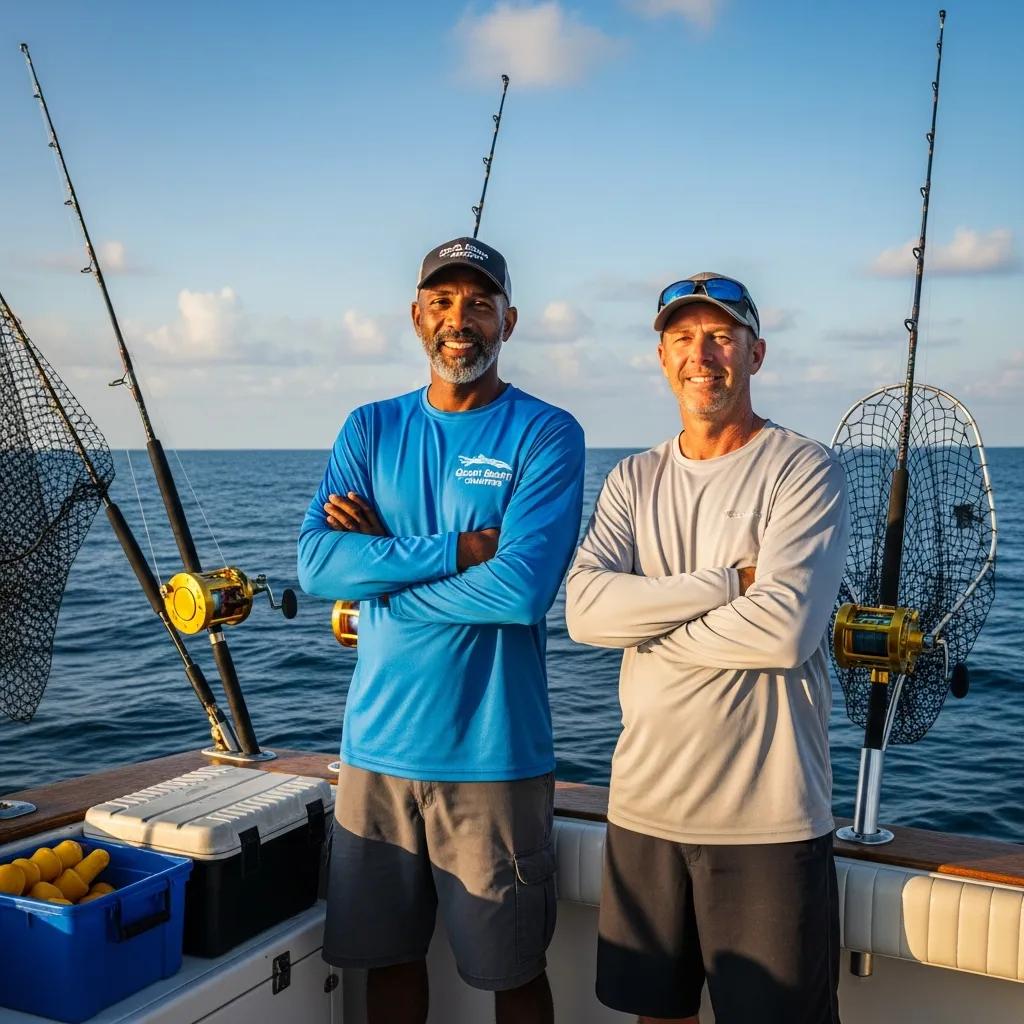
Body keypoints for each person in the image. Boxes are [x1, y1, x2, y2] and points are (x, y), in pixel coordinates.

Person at [297, 236, 585, 1024]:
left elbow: (522, 590)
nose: (461, 319)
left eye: (481, 304)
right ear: (416, 315)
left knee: (512, 974)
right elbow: (318, 564)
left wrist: (381, 584)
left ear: (510, 321)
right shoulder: (370, 427)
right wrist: (458, 547)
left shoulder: (546, 432)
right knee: (387, 965)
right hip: (374, 756)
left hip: (494, 759)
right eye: (444, 301)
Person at [565, 272, 848, 1024]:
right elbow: (587, 614)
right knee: (658, 1016)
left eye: (722, 336)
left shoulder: (803, 468)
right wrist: (727, 583)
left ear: (757, 353)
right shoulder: (633, 477)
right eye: (685, 338)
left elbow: (786, 631)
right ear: (662, 357)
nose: (704, 355)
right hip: (644, 810)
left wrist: (649, 623)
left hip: (768, 822)